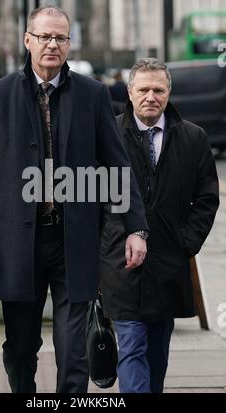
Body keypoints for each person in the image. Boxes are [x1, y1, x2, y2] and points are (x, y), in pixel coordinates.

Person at [0, 6, 148, 393]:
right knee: (20, 348)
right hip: (18, 245)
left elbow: (117, 165)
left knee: (73, 351)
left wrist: (136, 229)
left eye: (60, 37)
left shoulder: (93, 94)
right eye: (45, 36)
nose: (52, 44)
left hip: (73, 240)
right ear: (27, 40)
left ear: (69, 43)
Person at [100, 58, 220, 393]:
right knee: (132, 346)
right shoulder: (108, 135)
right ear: (130, 92)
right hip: (120, 264)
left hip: (168, 262)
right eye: (144, 89)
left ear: (169, 93)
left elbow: (207, 198)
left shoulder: (193, 138)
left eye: (158, 89)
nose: (151, 96)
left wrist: (186, 242)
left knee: (157, 352)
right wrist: (102, 248)